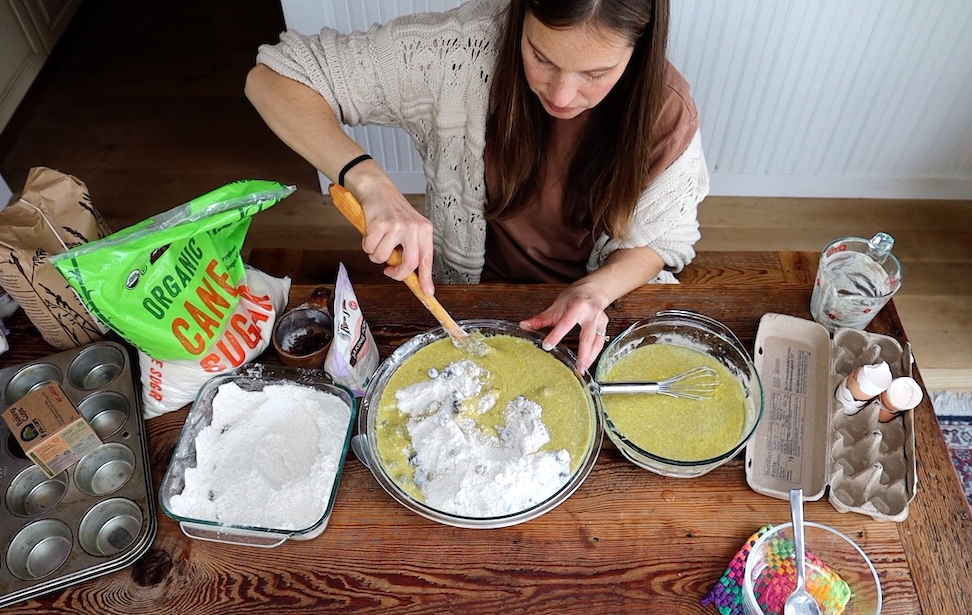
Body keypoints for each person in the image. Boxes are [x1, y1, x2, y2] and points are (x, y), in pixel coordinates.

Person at [246, 0, 708, 372]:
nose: (563, 96)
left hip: (591, 316)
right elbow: (273, 77)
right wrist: (370, 182)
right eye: (541, 57)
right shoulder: (461, 50)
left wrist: (596, 290)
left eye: (595, 74)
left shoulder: (666, 113)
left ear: (638, 49)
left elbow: (665, 237)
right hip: (463, 294)